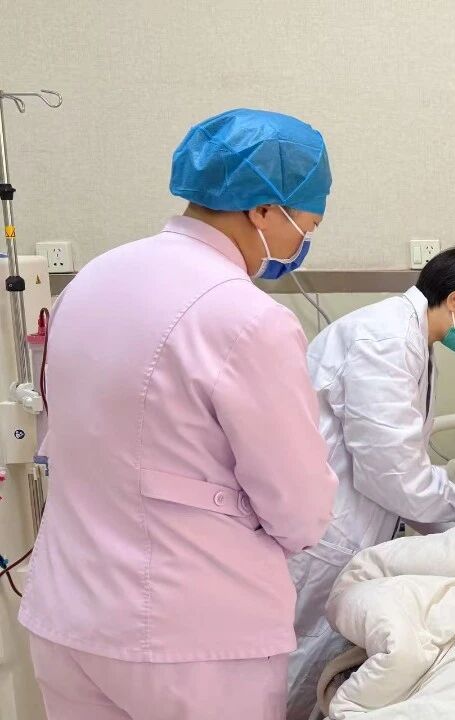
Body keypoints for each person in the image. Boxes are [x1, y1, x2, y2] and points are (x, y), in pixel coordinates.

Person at [20, 109, 339, 719]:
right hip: (190, 637)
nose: (302, 243)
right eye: (307, 224)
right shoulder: (248, 317)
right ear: (264, 211)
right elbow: (298, 507)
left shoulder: (92, 279)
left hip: (70, 616)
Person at [286, 245, 455, 720]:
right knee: (292, 659)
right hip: (323, 531)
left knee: (311, 660)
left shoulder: (410, 340)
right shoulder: (385, 341)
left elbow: (400, 468)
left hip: (346, 523)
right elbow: (395, 476)